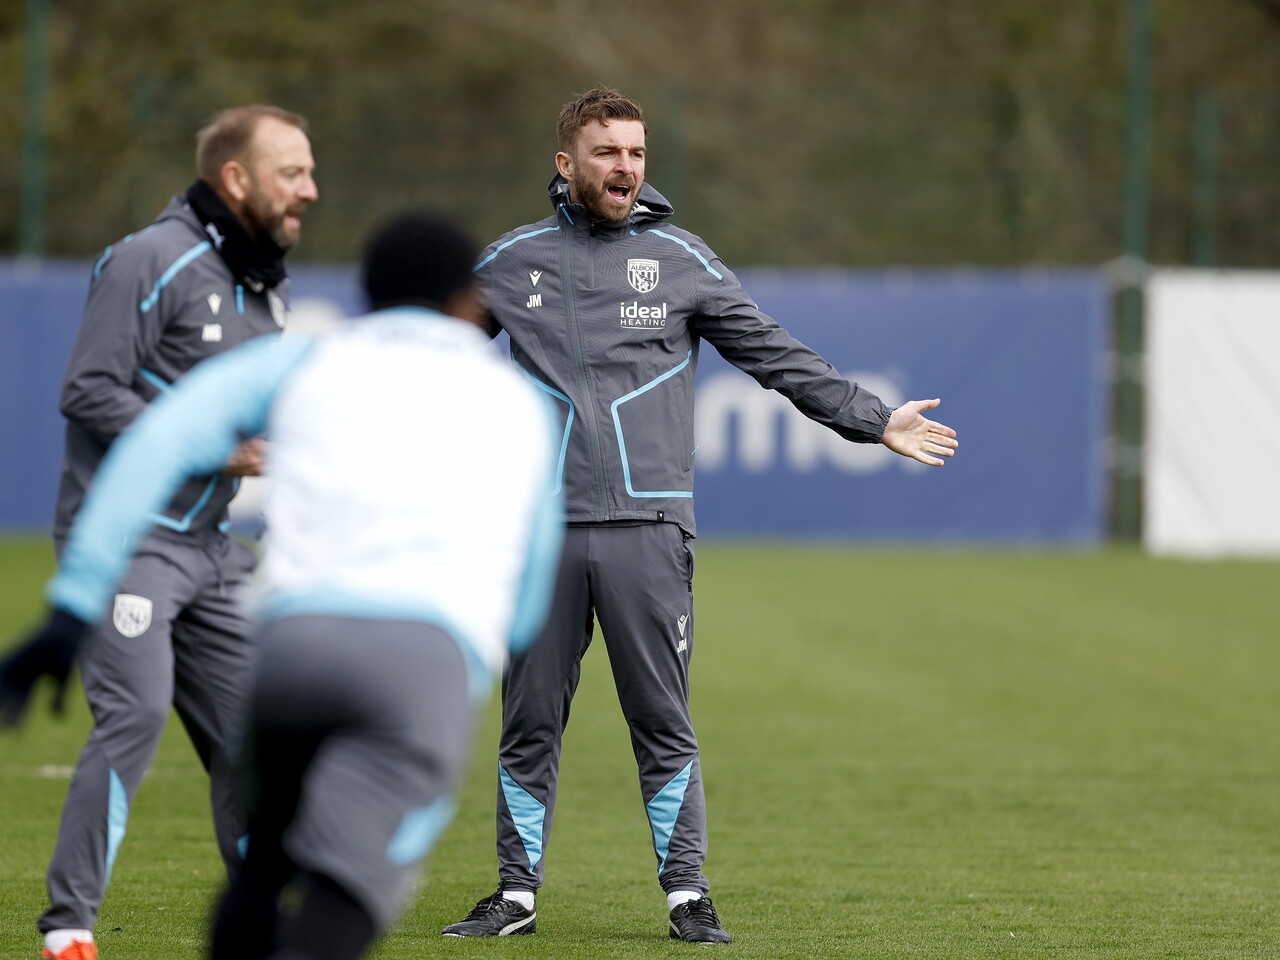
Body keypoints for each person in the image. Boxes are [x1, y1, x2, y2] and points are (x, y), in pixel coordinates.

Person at [441, 87, 959, 945]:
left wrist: (874, 419)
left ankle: (687, 896)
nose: (626, 167)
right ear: (565, 163)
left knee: (661, 719)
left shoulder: (682, 260)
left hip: (650, 531)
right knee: (529, 719)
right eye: (608, 152)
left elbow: (773, 354)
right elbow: (422, 360)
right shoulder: (510, 262)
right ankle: (515, 894)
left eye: (637, 152)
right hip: (539, 535)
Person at [0, 211, 565, 960]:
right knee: (341, 901)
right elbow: (533, 572)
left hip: (289, 645)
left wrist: (72, 611)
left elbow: (154, 444)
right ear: (471, 301)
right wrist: (483, 653)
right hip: (421, 656)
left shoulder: (307, 360)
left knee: (262, 868)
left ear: (366, 291)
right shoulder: (516, 401)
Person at [24, 104, 317, 960]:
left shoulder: (264, 278)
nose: (311, 188)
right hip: (130, 545)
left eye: (308, 170)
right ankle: (68, 931)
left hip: (214, 552)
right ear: (236, 178)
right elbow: (89, 391)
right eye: (292, 171)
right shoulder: (149, 258)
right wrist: (223, 450)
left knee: (259, 742)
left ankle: (264, 928)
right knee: (135, 717)